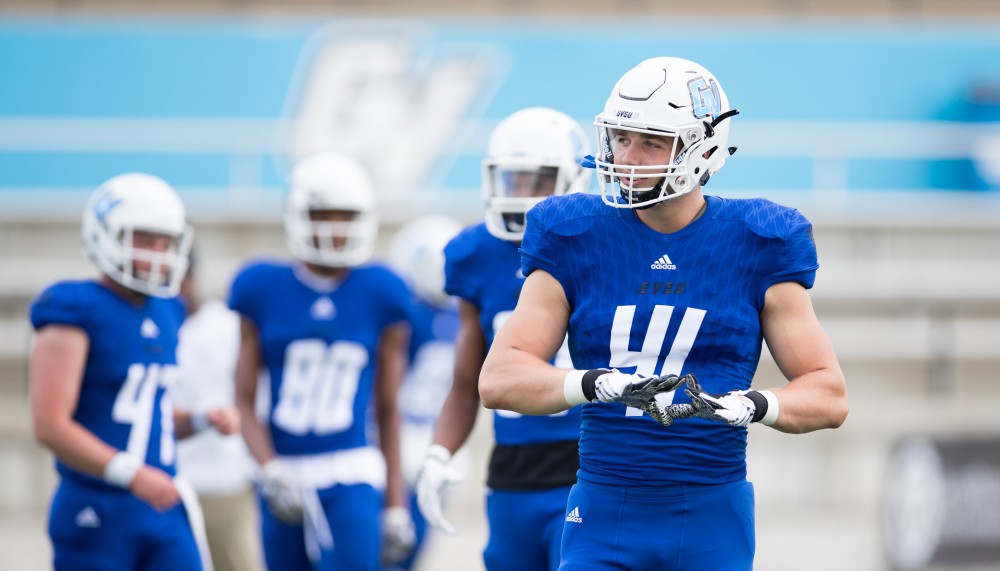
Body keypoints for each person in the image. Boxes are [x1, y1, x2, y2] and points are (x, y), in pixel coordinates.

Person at [478, 57, 850, 571]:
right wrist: (592, 383)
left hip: (710, 512)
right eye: (622, 138)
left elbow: (828, 393)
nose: (628, 157)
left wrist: (755, 404)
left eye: (651, 142)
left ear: (703, 149)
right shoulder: (573, 231)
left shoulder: (760, 238)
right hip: (603, 506)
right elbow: (500, 378)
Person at [29, 173, 240, 571]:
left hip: (161, 504)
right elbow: (50, 425)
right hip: (98, 507)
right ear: (105, 235)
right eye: (145, 240)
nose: (159, 254)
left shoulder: (169, 309)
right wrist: (130, 474)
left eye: (166, 243)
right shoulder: (74, 308)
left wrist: (201, 419)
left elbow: (146, 416)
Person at [414, 107, 592, 571]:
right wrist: (439, 452)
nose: (522, 195)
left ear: (574, 180)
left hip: (588, 459)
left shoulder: (603, 244)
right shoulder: (476, 254)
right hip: (511, 467)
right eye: (513, 180)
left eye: (537, 181)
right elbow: (466, 381)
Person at [231, 151, 415, 570]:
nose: (334, 228)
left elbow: (388, 408)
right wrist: (268, 467)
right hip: (283, 468)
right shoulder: (260, 287)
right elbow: (242, 399)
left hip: (350, 469)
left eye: (344, 216)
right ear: (297, 216)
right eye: (322, 215)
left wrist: (396, 503)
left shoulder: (382, 290)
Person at [174, 252, 265, 571]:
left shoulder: (225, 324)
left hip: (225, 481)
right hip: (168, 482)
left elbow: (255, 396)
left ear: (191, 277)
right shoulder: (153, 326)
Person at [384, 215, 464, 571]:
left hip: (434, 433)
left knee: (414, 547)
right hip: (401, 432)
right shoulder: (407, 316)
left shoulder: (462, 316)